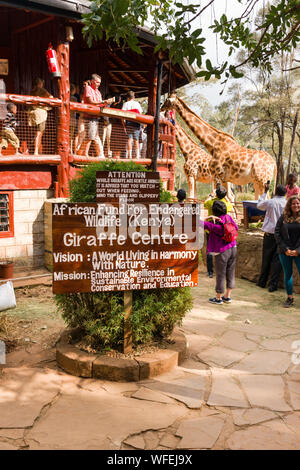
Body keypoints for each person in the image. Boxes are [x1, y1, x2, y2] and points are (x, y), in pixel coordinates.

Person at [204, 200, 238, 304]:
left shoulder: (215, 223)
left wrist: (208, 218)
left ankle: (218, 298)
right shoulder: (228, 217)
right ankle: (227, 296)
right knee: (230, 272)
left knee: (220, 274)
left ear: (214, 211)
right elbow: (236, 228)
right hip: (233, 247)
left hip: (222, 251)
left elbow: (198, 223)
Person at [256, 183, 287, 292]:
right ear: (285, 193)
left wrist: (265, 192)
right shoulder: (287, 203)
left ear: (275, 192)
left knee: (266, 258)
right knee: (277, 261)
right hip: (282, 236)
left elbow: (259, 205)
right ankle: (273, 285)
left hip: (269, 234)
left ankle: (262, 282)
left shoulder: (270, 202)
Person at [275, 195, 300, 308]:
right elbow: (277, 233)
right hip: (285, 251)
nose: (296, 205)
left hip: (299, 252)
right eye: (293, 203)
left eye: (298, 203)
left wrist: (298, 251)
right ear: (289, 205)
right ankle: (290, 298)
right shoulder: (283, 217)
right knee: (288, 274)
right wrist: (285, 249)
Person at [204, 185, 234, 278]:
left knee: (209, 250)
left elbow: (205, 203)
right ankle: (221, 271)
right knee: (222, 250)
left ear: (216, 194)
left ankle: (210, 272)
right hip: (222, 231)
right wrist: (225, 197)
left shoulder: (211, 202)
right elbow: (231, 205)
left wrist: (211, 195)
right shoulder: (226, 204)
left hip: (210, 230)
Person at [83, 74, 114, 157]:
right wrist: (104, 102)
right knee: (90, 137)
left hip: (96, 117)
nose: (99, 84)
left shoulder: (98, 92)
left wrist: (107, 103)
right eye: (97, 82)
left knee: (94, 136)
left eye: (100, 82)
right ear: (92, 81)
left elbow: (100, 104)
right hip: (88, 116)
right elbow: (90, 102)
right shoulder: (88, 88)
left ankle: (100, 154)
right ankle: (85, 154)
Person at [28, 78, 52, 155]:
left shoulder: (32, 91)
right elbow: (51, 97)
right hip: (41, 114)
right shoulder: (42, 90)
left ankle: (38, 151)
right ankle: (36, 151)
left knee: (36, 133)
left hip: (33, 114)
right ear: (40, 83)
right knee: (39, 133)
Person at [122, 90, 142, 159]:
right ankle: (137, 156)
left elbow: (122, 115)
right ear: (134, 97)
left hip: (128, 123)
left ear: (127, 97)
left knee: (129, 139)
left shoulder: (125, 104)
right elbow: (140, 113)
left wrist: (124, 124)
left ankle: (129, 156)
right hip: (136, 123)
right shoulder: (137, 104)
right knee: (136, 140)